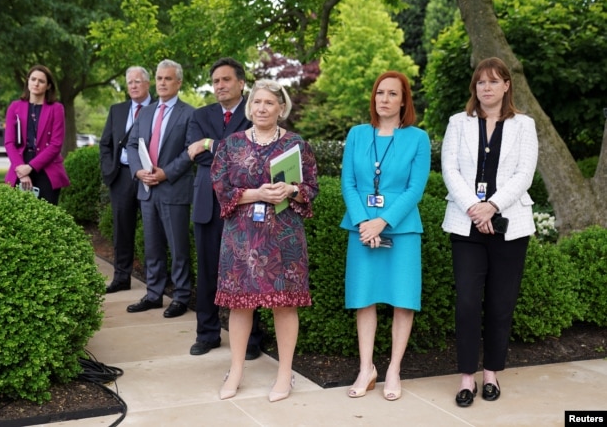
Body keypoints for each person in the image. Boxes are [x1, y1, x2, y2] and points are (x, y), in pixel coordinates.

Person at [210, 79, 318, 402]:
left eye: (269, 103)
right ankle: (236, 371)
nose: (262, 108)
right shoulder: (231, 144)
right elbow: (220, 187)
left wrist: (292, 190)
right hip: (241, 238)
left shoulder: (297, 144)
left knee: (284, 305)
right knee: (239, 306)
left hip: (283, 237)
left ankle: (285, 375)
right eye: (257, 102)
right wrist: (256, 193)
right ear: (249, 106)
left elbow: (311, 187)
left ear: (281, 108)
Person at [441, 57, 538, 407]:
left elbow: (524, 173)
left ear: (506, 86)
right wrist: (475, 207)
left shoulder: (524, 125)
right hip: (466, 225)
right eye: (481, 82)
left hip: (509, 226)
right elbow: (449, 169)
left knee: (500, 305)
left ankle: (491, 374)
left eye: (494, 82)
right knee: (467, 303)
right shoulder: (459, 122)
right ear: (474, 87)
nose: (487, 88)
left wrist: (492, 206)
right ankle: (467, 377)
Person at [340, 71, 431, 401]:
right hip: (361, 228)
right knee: (364, 298)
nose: (385, 99)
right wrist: (365, 222)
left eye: (393, 94)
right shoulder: (356, 134)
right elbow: (348, 183)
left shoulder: (418, 139)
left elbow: (415, 189)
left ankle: (393, 369)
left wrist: (383, 222)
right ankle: (367, 368)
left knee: (402, 300)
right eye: (380, 93)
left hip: (402, 229)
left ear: (404, 100)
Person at [186, 58, 263, 358]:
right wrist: (224, 150)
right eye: (215, 81)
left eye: (226, 80)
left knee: (247, 273)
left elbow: (254, 154)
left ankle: (252, 339)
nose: (219, 86)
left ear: (241, 82)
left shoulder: (254, 112)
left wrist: (209, 144)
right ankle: (207, 334)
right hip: (208, 206)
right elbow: (198, 157)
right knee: (207, 273)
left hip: (245, 208)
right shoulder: (200, 115)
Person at [125, 59, 195, 318]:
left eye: (168, 79)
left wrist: (166, 173)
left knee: (178, 248)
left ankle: (180, 296)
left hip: (173, 189)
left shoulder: (189, 114)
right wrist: (137, 170)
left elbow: (190, 151)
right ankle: (154, 294)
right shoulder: (146, 112)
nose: (162, 83)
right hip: (147, 189)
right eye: (159, 78)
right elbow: (132, 145)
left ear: (178, 82)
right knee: (152, 246)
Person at [99, 66, 152, 293]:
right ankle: (121, 278)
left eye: (137, 81)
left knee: (153, 229)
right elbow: (105, 143)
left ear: (147, 84)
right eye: (129, 82)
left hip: (150, 176)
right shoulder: (117, 110)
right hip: (121, 175)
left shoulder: (159, 108)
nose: (132, 85)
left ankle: (155, 281)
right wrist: (109, 170)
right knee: (122, 229)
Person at [4, 64, 70, 204]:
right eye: (33, 79)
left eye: (41, 81)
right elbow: (9, 142)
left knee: (47, 217)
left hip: (47, 167)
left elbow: (56, 144)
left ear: (48, 86)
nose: (36, 83)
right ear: (27, 81)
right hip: (20, 165)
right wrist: (21, 171)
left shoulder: (56, 109)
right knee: (18, 216)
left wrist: (31, 167)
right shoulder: (14, 107)